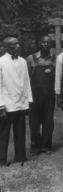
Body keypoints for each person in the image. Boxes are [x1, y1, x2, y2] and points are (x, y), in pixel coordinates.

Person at [0, 37, 33, 167]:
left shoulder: (23, 61)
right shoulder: (1, 62)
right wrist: (1, 106)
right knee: (3, 133)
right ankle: (1, 160)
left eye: (18, 44)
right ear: (6, 47)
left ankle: (20, 157)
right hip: (7, 105)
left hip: (21, 103)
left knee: (20, 131)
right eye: (14, 45)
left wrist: (28, 101)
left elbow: (26, 82)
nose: (18, 46)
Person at [26, 35, 57, 156]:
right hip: (34, 94)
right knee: (34, 121)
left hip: (49, 94)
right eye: (43, 42)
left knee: (48, 120)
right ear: (40, 43)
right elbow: (26, 78)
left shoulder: (55, 59)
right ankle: (35, 146)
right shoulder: (31, 58)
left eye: (48, 42)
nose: (46, 44)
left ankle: (47, 145)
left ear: (51, 44)